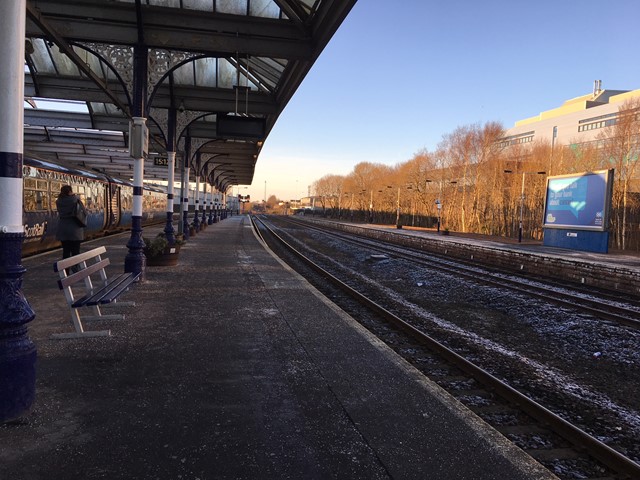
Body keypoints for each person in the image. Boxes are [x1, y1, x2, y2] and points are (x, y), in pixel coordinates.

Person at [55, 185, 87, 259]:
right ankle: (75, 269)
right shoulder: (75, 199)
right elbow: (84, 212)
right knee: (75, 252)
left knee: (66, 252)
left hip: (63, 229)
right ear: (70, 191)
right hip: (75, 229)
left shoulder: (58, 201)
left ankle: (66, 270)